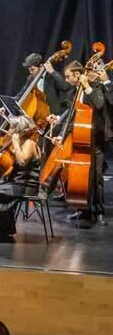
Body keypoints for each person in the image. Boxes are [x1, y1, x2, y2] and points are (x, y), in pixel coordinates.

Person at [50, 60, 108, 227]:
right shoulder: (77, 91)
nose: (66, 80)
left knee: (96, 178)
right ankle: (83, 209)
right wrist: (62, 133)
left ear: (77, 74)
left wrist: (86, 86)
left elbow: (99, 103)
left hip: (96, 138)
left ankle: (99, 212)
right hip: (82, 138)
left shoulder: (94, 86)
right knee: (82, 178)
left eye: (68, 76)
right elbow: (73, 115)